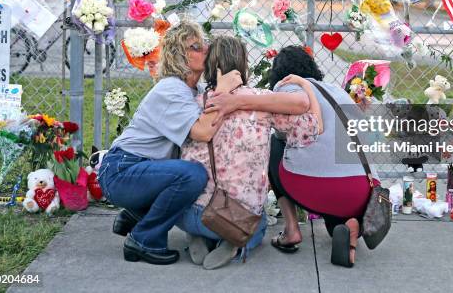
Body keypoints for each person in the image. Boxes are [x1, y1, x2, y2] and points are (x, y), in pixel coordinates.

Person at [97, 22, 309, 265]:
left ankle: (140, 214)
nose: (206, 49)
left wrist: (233, 99)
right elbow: (203, 132)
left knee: (190, 174)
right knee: (193, 175)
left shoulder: (194, 90)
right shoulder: (171, 89)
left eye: (204, 44)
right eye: (196, 47)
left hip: (145, 170)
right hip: (123, 170)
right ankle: (143, 239)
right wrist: (225, 92)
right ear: (180, 56)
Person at [176, 36, 323, 270]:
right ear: (242, 65)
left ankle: (194, 235)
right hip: (233, 217)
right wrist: (307, 85)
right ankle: (235, 241)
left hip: (188, 214)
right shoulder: (262, 102)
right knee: (260, 224)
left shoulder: (193, 102)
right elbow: (311, 128)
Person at [249, 45, 380, 268]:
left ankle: (291, 230)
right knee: (334, 222)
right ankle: (350, 222)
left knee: (275, 144)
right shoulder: (337, 91)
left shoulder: (288, 87)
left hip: (316, 187)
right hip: (362, 189)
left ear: (279, 72)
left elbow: (284, 133)